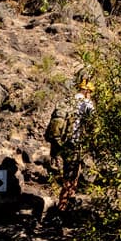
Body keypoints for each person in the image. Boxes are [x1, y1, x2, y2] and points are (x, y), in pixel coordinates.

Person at [45, 79, 95, 211]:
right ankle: (63, 208)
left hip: (62, 143)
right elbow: (94, 124)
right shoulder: (87, 103)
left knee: (66, 174)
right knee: (71, 177)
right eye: (90, 92)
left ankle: (64, 206)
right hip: (75, 145)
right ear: (87, 91)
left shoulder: (68, 100)